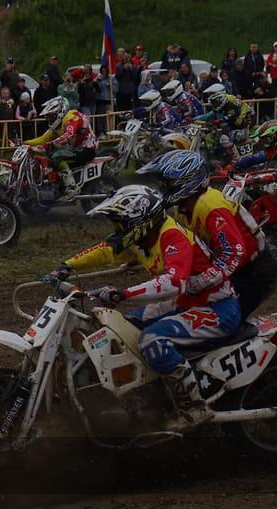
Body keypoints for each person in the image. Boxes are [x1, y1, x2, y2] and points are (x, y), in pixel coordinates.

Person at [47, 185, 239, 430]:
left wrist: (124, 293)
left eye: (120, 224)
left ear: (139, 221)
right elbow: (107, 251)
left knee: (152, 340)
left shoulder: (172, 236)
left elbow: (174, 282)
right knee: (122, 331)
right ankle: (150, 393)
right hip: (184, 303)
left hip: (217, 308)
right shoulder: (143, 238)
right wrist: (67, 265)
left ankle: (195, 406)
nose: (117, 230)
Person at [144, 150, 274, 320]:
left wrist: (203, 280)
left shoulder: (209, 204)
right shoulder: (185, 208)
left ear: (185, 181)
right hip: (236, 268)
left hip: (254, 270)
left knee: (224, 320)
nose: (163, 189)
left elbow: (234, 251)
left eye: (167, 185)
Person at [24, 95, 97, 196]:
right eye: (48, 117)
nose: (50, 119)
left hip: (87, 149)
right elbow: (43, 139)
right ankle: (56, 186)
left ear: (60, 112)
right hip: (75, 149)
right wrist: (24, 143)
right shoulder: (58, 125)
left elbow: (69, 134)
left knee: (57, 156)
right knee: (49, 157)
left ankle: (72, 187)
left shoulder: (72, 117)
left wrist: (50, 144)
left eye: (51, 116)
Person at [194, 91, 255, 165]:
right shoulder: (223, 107)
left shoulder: (231, 105)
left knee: (224, 139)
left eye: (214, 103)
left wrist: (219, 121)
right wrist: (194, 119)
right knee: (219, 134)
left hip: (242, 127)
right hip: (237, 126)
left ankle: (237, 160)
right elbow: (209, 115)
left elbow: (230, 116)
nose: (213, 105)